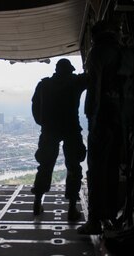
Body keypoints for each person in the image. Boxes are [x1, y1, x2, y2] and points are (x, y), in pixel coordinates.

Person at [78, 18, 124, 234]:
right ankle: (111, 216)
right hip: (121, 118)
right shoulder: (123, 52)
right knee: (113, 168)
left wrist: (92, 118)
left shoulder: (98, 53)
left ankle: (95, 220)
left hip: (102, 118)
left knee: (96, 169)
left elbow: (94, 87)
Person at [31, 58, 87, 221]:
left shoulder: (44, 84)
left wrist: (43, 123)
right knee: (74, 167)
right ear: (69, 70)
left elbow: (35, 105)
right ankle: (71, 208)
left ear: (56, 70)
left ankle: (37, 202)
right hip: (71, 129)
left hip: (49, 130)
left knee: (45, 166)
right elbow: (91, 77)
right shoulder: (75, 82)